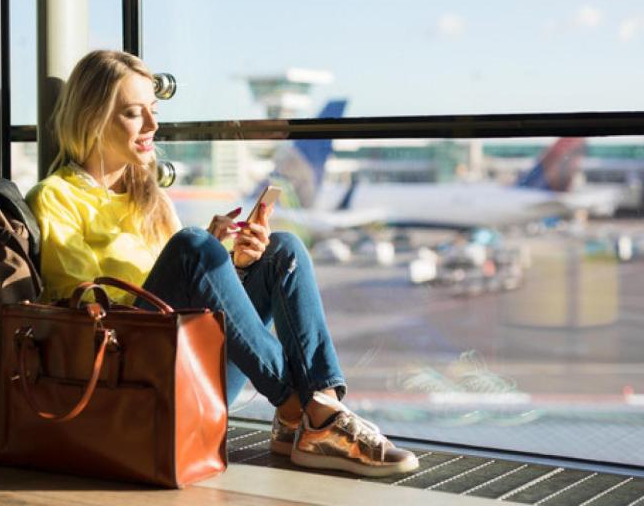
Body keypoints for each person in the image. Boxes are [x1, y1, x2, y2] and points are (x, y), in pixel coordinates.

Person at [25, 49, 418, 477]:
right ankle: (304, 411)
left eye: (153, 112)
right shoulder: (56, 197)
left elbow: (183, 295)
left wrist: (230, 266)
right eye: (134, 114)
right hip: (131, 376)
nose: (153, 127)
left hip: (183, 360)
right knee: (193, 244)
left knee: (282, 250)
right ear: (93, 117)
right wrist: (196, 256)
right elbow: (82, 314)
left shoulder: (149, 197)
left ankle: (304, 417)